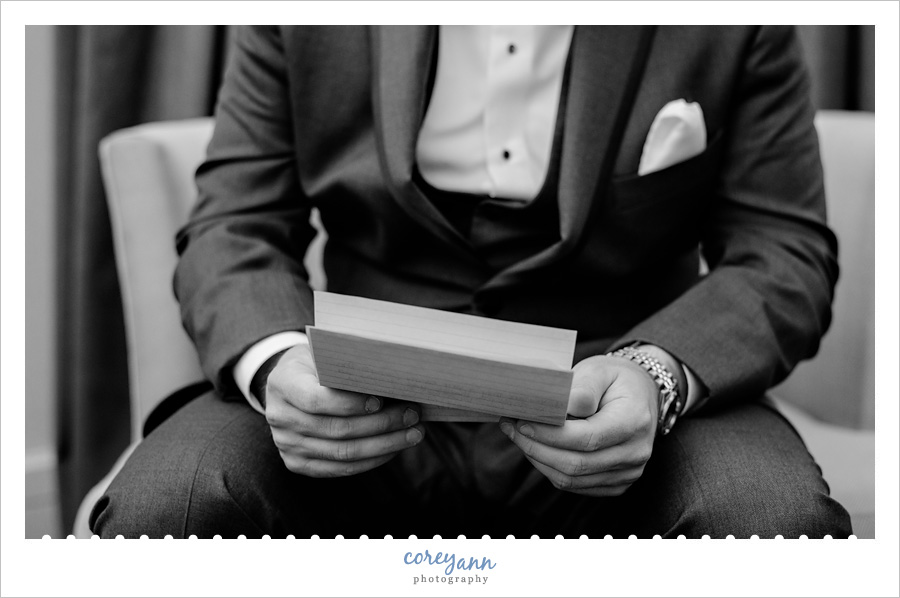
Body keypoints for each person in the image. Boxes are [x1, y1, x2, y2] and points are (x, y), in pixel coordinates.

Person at [91, 25, 853, 539]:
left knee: (773, 519)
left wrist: (654, 377)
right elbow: (233, 224)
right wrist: (279, 367)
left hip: (621, 399)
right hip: (362, 396)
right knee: (165, 506)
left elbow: (782, 250)